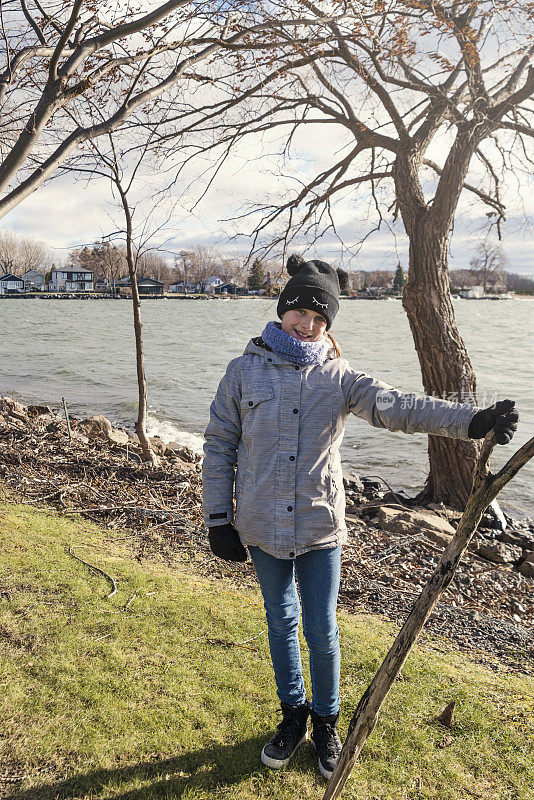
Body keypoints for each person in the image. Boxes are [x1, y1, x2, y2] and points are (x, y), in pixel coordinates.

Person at [201, 255, 518, 780]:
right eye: (300, 312)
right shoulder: (243, 370)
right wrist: (218, 517)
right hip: (258, 523)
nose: (308, 324)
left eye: (320, 318)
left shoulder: (341, 377)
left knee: (321, 627)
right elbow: (219, 445)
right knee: (280, 622)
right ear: (282, 310)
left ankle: (326, 722)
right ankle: (293, 716)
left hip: (320, 524)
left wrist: (472, 421)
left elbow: (401, 407)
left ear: (329, 323)